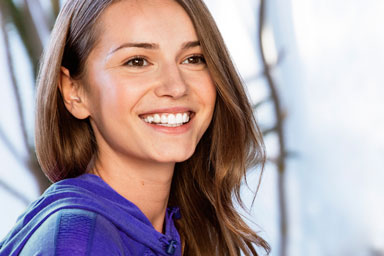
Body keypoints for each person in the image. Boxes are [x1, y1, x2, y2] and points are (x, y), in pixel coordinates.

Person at [0, 0, 270, 255]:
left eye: (193, 58)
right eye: (137, 61)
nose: (176, 87)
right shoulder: (80, 241)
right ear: (74, 91)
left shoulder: (175, 228)